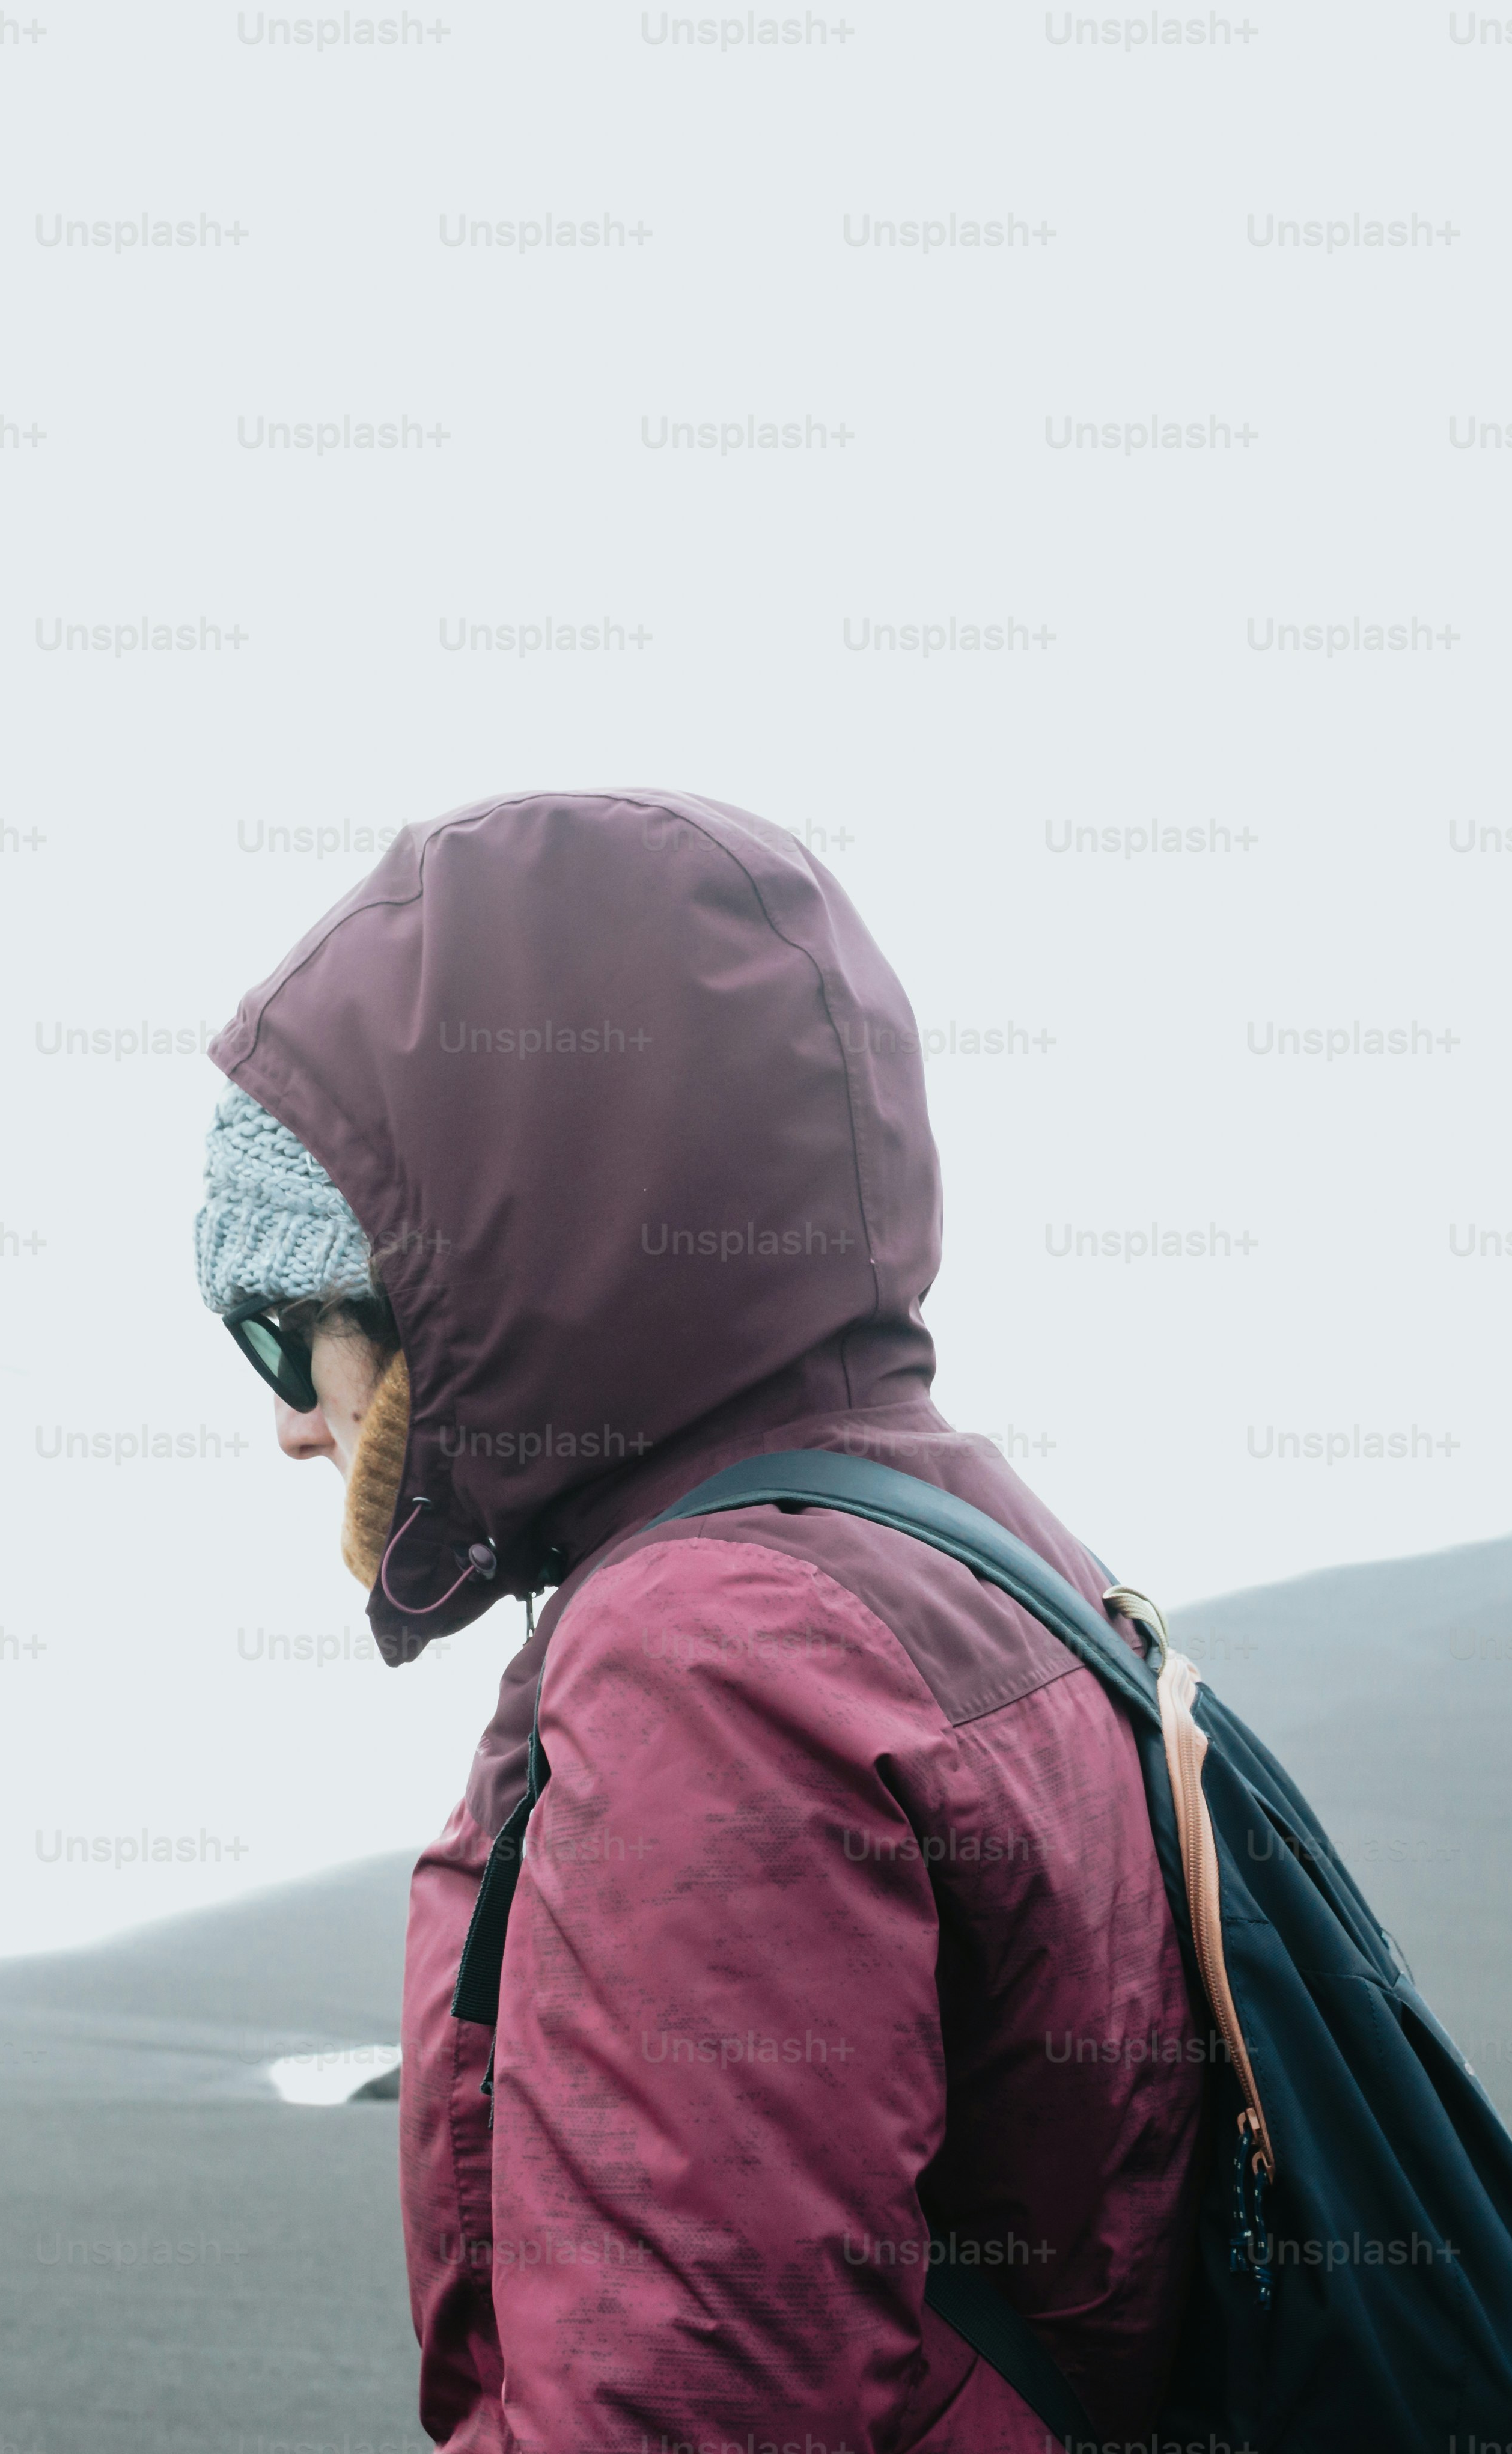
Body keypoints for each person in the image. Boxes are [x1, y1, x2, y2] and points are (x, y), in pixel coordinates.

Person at [191, 789, 1204, 2452]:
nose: (293, 1421)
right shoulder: (963, 1530)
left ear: (447, 1283)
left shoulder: (709, 1666)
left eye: (280, 1338)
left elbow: (689, 2411)